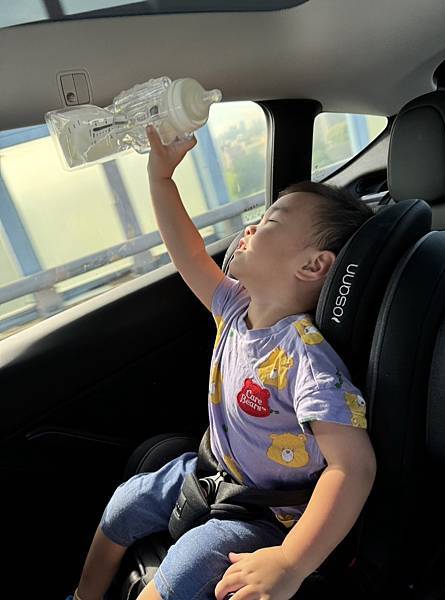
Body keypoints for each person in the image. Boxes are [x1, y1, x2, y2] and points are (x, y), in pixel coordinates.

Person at [67, 125, 376, 600]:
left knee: (184, 566)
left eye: (271, 222)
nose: (250, 227)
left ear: (313, 266)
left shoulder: (309, 361)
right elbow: (187, 251)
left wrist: (291, 562)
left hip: (271, 513)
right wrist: (160, 180)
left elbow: (353, 468)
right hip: (214, 472)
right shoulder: (235, 307)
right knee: (125, 502)